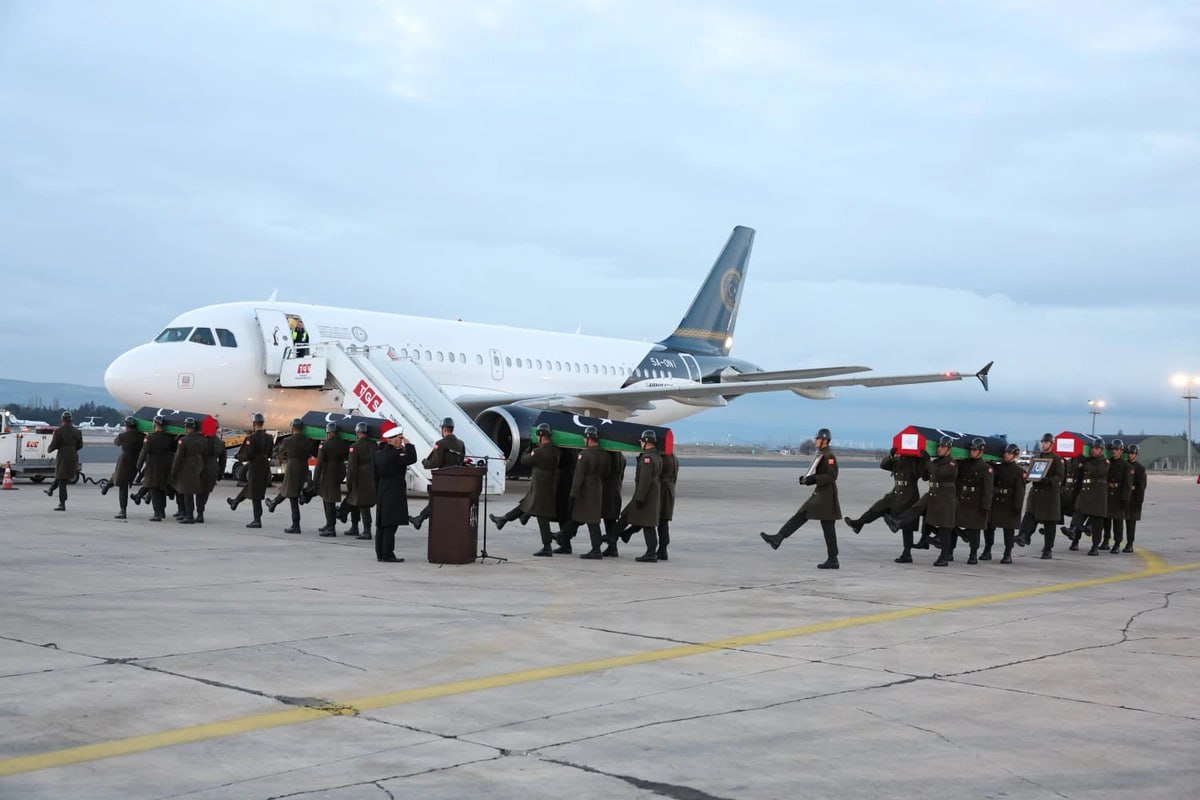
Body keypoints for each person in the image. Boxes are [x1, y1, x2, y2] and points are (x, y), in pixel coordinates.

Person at [760, 428, 841, 569]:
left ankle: (779, 538)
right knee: (824, 525)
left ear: (824, 440)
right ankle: (833, 559)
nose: (815, 440)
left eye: (817, 439)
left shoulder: (829, 456)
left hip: (826, 496)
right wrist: (807, 480)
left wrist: (813, 479)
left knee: (805, 516)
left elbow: (832, 476)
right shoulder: (822, 454)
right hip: (822, 494)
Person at [844, 446, 927, 563]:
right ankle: (859, 523)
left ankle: (907, 554)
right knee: (878, 507)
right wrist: (891, 456)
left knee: (907, 526)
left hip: (909, 496)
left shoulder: (915, 462)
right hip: (895, 493)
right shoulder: (897, 460)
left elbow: (924, 476)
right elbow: (883, 465)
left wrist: (924, 460)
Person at [886, 435, 959, 566]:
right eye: (938, 446)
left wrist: (928, 461)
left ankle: (944, 557)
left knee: (945, 528)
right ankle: (898, 522)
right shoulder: (936, 462)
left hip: (946, 498)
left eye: (942, 447)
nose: (939, 449)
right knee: (916, 508)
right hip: (933, 494)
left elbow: (938, 474)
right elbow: (926, 476)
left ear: (948, 449)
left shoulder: (952, 463)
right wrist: (922, 461)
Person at [409, 417, 465, 531]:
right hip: (455, 478)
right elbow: (461, 460)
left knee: (436, 501)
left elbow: (436, 462)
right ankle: (419, 519)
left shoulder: (440, 443)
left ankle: (420, 519)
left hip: (442, 478)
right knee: (440, 502)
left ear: (444, 429)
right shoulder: (461, 443)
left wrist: (425, 462)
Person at [617, 430, 664, 562]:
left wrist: (640, 497)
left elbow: (644, 480)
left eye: (642, 441)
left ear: (647, 442)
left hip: (646, 494)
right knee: (640, 520)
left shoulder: (647, 458)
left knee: (648, 524)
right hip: (652, 493)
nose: (641, 443)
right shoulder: (656, 456)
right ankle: (619, 535)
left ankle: (650, 553)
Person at [565, 426, 611, 559]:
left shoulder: (584, 455)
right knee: (591, 517)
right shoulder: (605, 454)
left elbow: (578, 477)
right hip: (598, 486)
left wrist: (573, 495)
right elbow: (607, 472)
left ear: (589, 439)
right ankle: (563, 536)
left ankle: (596, 549)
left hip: (586, 489)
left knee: (591, 520)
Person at [374, 427, 417, 562]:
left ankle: (380, 553)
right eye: (400, 439)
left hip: (382, 490)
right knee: (390, 524)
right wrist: (409, 444)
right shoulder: (397, 455)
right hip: (394, 491)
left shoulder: (378, 454)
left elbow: (374, 474)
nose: (401, 441)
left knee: (381, 524)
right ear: (395, 440)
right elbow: (412, 458)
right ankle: (388, 554)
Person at [1019, 433, 1064, 559]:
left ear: (1051, 444)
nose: (1043, 444)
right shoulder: (1036, 457)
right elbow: (1030, 474)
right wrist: (1025, 477)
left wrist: (1046, 480)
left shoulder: (1056, 459)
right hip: (1036, 494)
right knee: (1029, 516)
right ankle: (1023, 536)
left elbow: (1059, 477)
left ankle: (1048, 549)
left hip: (1049, 496)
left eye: (1046, 442)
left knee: (1050, 524)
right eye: (1043, 442)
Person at [520, 423, 562, 556]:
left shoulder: (538, 452)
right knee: (541, 516)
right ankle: (547, 545)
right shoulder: (556, 450)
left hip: (540, 487)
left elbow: (524, 461)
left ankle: (547, 547)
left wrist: (529, 448)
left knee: (541, 518)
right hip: (550, 486)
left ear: (540, 436)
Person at [228, 412, 273, 528]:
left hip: (255, 465)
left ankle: (257, 520)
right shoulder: (269, 438)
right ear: (263, 423)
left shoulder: (251, 438)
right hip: (265, 465)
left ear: (254, 424)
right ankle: (235, 502)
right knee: (252, 487)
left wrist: (238, 457)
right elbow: (270, 453)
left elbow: (249, 454)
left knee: (255, 494)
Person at [266, 419, 312, 534]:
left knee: (292, 495)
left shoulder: (288, 440)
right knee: (289, 489)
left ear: (292, 428)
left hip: (292, 467)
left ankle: (295, 524)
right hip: (304, 467)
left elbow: (280, 452)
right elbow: (311, 452)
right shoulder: (308, 440)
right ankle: (273, 503)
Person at [1063, 439, 1109, 554]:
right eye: (1093, 448)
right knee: (1078, 513)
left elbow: (1098, 471)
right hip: (1085, 493)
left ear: (1102, 450)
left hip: (1098, 495)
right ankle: (1074, 531)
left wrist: (1086, 463)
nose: (1094, 450)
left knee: (1097, 523)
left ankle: (1095, 546)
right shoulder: (1087, 460)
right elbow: (1074, 470)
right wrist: (1079, 458)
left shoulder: (1105, 462)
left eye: (1097, 448)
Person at [984, 444, 1026, 564]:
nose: (1006, 454)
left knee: (1008, 531)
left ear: (1015, 455)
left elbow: (1020, 492)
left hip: (1009, 503)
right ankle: (987, 550)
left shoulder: (1019, 472)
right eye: (1005, 452)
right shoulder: (998, 468)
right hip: (996, 502)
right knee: (989, 527)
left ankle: (1008, 553)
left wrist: (1017, 507)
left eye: (1009, 453)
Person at [340, 422, 378, 540]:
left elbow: (351, 467)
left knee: (362, 504)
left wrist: (349, 482)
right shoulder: (374, 445)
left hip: (359, 478)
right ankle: (354, 527)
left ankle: (366, 530)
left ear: (358, 432)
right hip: (371, 477)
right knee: (355, 502)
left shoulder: (354, 447)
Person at [313, 422, 350, 537]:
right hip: (338, 472)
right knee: (330, 500)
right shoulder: (343, 444)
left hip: (327, 473)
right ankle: (329, 524)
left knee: (328, 500)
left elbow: (319, 464)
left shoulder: (325, 445)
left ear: (329, 433)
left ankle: (331, 527)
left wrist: (315, 479)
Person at [103, 416, 144, 520]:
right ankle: (107, 485)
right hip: (136, 461)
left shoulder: (122, 436)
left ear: (127, 426)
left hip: (124, 460)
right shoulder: (142, 436)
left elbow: (116, 442)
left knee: (122, 483)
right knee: (122, 480)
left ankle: (123, 510)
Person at [136, 415, 175, 521]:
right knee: (162, 489)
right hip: (166, 465)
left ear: (155, 424)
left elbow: (144, 452)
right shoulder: (169, 437)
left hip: (153, 466)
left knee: (154, 489)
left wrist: (138, 465)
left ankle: (157, 513)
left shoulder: (150, 437)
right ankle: (162, 511)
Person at [45, 411, 83, 510]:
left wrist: (49, 449)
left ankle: (62, 503)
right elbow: (80, 445)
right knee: (62, 477)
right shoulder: (77, 431)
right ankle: (50, 490)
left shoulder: (58, 431)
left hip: (63, 455)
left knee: (61, 479)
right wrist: (72, 449)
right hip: (73, 455)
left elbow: (54, 444)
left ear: (62, 419)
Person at [170, 418, 204, 524]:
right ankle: (190, 514)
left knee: (187, 492)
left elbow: (179, 457)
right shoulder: (201, 439)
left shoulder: (183, 440)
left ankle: (189, 516)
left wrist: (173, 471)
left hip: (186, 467)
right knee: (192, 492)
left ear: (186, 427)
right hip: (198, 465)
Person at [1102, 439, 1133, 553]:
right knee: (1106, 520)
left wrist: (1125, 499)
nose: (1114, 451)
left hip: (1119, 495)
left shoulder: (1126, 466)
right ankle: (1105, 540)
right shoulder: (1107, 463)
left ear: (1121, 451)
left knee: (1117, 522)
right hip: (1108, 493)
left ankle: (1117, 543)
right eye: (1112, 449)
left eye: (1116, 449)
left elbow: (1127, 485)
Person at [195, 426, 226, 524]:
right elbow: (223, 460)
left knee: (198, 491)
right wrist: (221, 473)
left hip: (201, 466)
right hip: (213, 468)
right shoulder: (220, 442)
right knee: (205, 491)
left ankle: (199, 513)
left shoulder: (200, 440)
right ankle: (201, 511)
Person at [654, 446, 679, 561]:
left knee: (658, 520)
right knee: (663, 521)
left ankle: (661, 549)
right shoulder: (674, 458)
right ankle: (663, 549)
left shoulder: (661, 458)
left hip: (662, 491)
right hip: (670, 489)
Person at [601, 450, 626, 556]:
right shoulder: (622, 458)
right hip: (616, 489)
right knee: (610, 519)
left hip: (607, 491)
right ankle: (612, 546)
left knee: (608, 519)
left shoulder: (608, 457)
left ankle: (611, 544)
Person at [1124, 444, 1147, 553]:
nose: (1130, 455)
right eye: (1129, 453)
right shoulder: (1123, 465)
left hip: (1133, 499)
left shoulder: (1140, 469)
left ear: (1136, 455)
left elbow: (1142, 486)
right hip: (1123, 497)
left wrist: (1139, 501)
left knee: (1130, 523)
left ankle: (1130, 543)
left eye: (1132, 453)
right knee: (1117, 522)